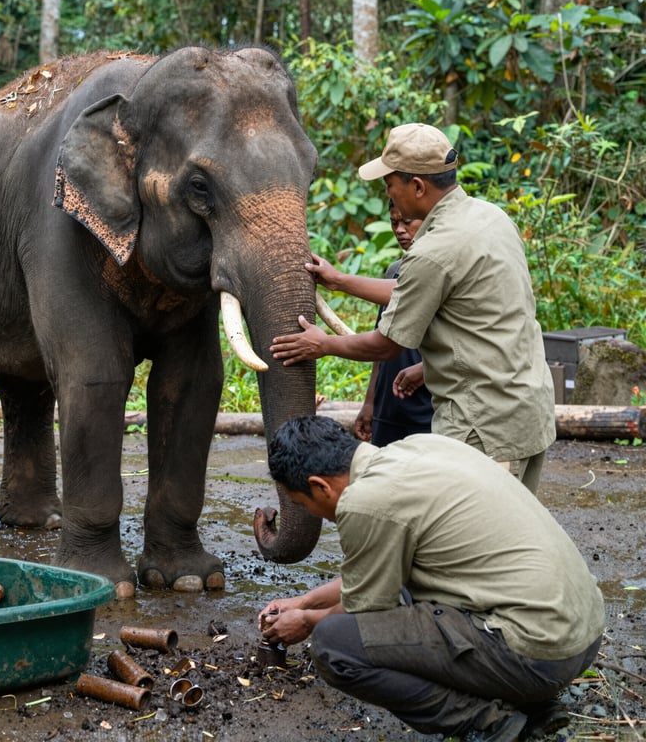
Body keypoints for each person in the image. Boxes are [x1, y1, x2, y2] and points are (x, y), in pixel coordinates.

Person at [259, 415, 604, 742]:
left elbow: (364, 609)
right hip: (581, 636)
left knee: (334, 645)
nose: (309, 512)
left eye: (301, 503)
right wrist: (303, 602)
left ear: (320, 486)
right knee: (405, 601)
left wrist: (306, 622)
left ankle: (489, 722)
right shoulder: (420, 448)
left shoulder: (366, 501)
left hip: (538, 654)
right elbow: (369, 580)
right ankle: (533, 705)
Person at [270, 122, 556, 493]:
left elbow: (387, 344)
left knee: (466, 543)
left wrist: (323, 345)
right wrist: (340, 280)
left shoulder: (432, 251)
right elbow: (481, 312)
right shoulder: (491, 218)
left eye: (390, 185)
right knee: (512, 535)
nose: (388, 194)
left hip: (482, 426)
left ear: (417, 187)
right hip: (527, 408)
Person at [356, 204, 432, 444]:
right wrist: (370, 403)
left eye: (408, 222)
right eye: (394, 223)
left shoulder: (441, 271)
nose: (400, 230)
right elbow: (382, 340)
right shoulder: (394, 271)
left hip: (427, 407)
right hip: (389, 405)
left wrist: (425, 370)